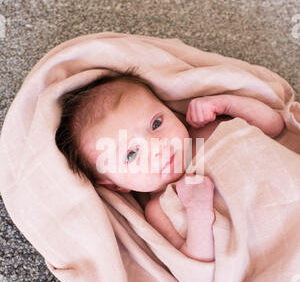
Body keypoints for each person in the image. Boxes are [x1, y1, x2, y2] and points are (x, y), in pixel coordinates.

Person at [55, 69, 284, 262]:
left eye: (156, 123)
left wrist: (226, 104)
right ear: (115, 186)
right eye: (131, 154)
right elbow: (197, 261)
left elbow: (274, 126)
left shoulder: (206, 132)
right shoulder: (159, 210)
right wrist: (198, 211)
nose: (157, 146)